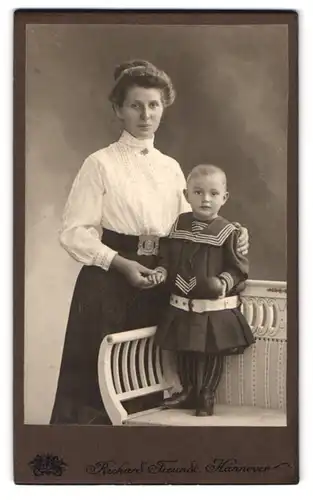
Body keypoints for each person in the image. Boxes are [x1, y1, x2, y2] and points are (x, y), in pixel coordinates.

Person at [50, 60, 249, 425]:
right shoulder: (100, 163)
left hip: (159, 279)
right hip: (108, 282)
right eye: (135, 105)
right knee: (96, 389)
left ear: (163, 108)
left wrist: (233, 234)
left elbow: (195, 226)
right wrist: (120, 264)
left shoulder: (171, 167)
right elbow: (74, 231)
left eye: (153, 105)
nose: (145, 115)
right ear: (118, 111)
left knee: (148, 382)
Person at [149, 164, 255, 416]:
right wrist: (162, 271)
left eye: (213, 193)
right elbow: (167, 257)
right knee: (183, 348)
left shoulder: (229, 232)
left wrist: (223, 282)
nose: (205, 199)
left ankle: (206, 393)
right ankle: (188, 392)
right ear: (186, 196)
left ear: (224, 198)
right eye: (197, 192)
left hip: (211, 308)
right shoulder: (179, 225)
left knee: (209, 353)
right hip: (182, 305)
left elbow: (239, 269)